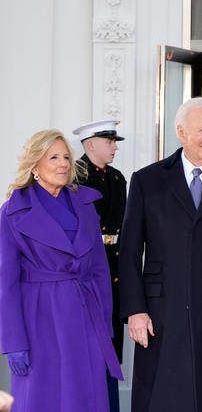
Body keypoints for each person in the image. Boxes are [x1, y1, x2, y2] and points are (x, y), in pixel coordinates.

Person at [119, 97, 202, 412]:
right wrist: (135, 309)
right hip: (161, 313)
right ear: (181, 131)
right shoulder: (147, 180)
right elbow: (130, 250)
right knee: (164, 396)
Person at [0, 129, 122, 412]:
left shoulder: (86, 206)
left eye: (66, 156)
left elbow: (100, 272)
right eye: (53, 157)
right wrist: (14, 341)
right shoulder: (13, 212)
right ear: (35, 166)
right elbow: (6, 282)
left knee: (86, 397)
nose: (64, 163)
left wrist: (103, 324)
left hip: (84, 317)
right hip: (38, 320)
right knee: (44, 398)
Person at [74, 119, 127, 412]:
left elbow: (121, 226)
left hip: (112, 265)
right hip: (87, 266)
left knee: (110, 340)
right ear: (91, 144)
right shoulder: (74, 177)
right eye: (110, 142)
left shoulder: (118, 179)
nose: (115, 147)